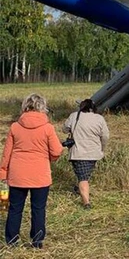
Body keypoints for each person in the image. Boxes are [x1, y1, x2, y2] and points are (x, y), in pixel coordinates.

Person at [0, 94, 63, 248]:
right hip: (40, 175)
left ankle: (12, 241)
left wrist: (3, 172)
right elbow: (56, 151)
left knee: (15, 209)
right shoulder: (48, 128)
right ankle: (37, 242)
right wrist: (48, 158)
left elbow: (6, 154)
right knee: (38, 209)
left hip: (17, 175)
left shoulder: (15, 126)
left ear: (25, 106)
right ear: (43, 107)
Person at [63, 99, 110, 209]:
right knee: (84, 175)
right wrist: (102, 148)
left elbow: (64, 129)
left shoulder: (74, 116)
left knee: (83, 177)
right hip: (94, 153)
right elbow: (105, 136)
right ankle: (81, 191)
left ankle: (86, 203)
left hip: (78, 153)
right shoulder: (99, 118)